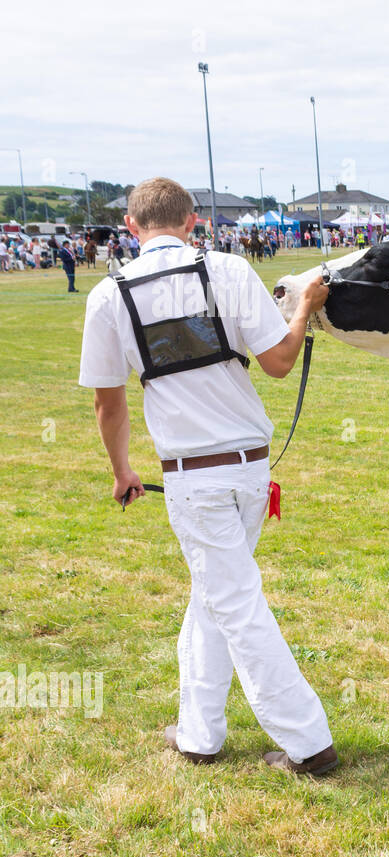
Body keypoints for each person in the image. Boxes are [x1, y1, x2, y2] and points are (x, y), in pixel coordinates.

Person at [78, 177, 338, 775]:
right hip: (249, 473)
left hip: (196, 480)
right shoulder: (228, 270)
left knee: (235, 604)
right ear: (194, 223)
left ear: (131, 228)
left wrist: (121, 470)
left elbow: (108, 403)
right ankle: (199, 732)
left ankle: (309, 743)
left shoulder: (107, 295)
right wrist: (303, 311)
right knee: (214, 598)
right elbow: (277, 363)